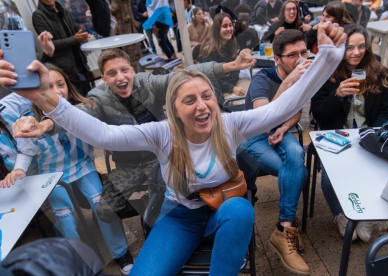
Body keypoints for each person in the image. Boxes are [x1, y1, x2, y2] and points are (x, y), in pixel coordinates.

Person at [6, 21, 346, 276]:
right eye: (190, 100)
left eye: (207, 96)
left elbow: (285, 106)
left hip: (223, 210)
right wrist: (47, 102)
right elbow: (104, 136)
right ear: (174, 108)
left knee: (242, 210)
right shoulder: (162, 133)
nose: (202, 106)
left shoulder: (230, 124)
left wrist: (329, 56)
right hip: (180, 216)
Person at [16, 42, 256, 224]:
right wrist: (45, 125)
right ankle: (146, 204)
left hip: (164, 159)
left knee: (180, 197)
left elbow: (184, 75)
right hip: (128, 164)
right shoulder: (98, 98)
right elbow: (83, 113)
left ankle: (168, 216)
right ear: (104, 79)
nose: (120, 78)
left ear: (132, 71)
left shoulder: (147, 83)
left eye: (124, 70)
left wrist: (231, 66)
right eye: (112, 74)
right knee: (105, 212)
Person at [0, 64, 134, 275]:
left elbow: (98, 131)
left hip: (82, 165)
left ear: (68, 86)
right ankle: (73, 263)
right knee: (64, 217)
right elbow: (26, 152)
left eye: (60, 84)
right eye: (48, 86)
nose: (56, 91)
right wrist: (19, 170)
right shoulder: (29, 120)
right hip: (51, 173)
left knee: (101, 205)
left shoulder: (77, 110)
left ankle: (121, 252)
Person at [311, 24, 388, 242]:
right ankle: (341, 214)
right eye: (349, 48)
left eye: (360, 47)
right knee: (329, 180)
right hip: (337, 137)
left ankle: (370, 216)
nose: (355, 52)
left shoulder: (380, 74)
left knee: (381, 169)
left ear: (367, 48)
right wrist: (337, 96)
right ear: (341, 49)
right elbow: (319, 115)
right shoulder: (328, 73)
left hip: (368, 137)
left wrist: (371, 134)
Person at [241, 29, 311, 275]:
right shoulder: (262, 79)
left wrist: (283, 128)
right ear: (277, 59)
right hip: (252, 137)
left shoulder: (301, 76)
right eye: (292, 55)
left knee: (294, 157)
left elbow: (296, 111)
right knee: (296, 172)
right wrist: (290, 82)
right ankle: (287, 228)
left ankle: (283, 229)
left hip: (277, 133)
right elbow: (262, 117)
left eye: (303, 52)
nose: (300, 59)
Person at [32, 0, 91, 96]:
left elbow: (75, 27)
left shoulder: (63, 10)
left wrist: (81, 33)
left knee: (88, 92)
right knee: (75, 97)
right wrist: (75, 39)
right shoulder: (38, 15)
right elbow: (50, 45)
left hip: (78, 59)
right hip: (63, 65)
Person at [199, 13, 247, 106]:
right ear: (217, 29)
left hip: (235, 82)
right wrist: (232, 88)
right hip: (221, 91)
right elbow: (210, 80)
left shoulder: (231, 42)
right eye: (224, 26)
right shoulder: (210, 50)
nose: (229, 29)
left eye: (230, 25)